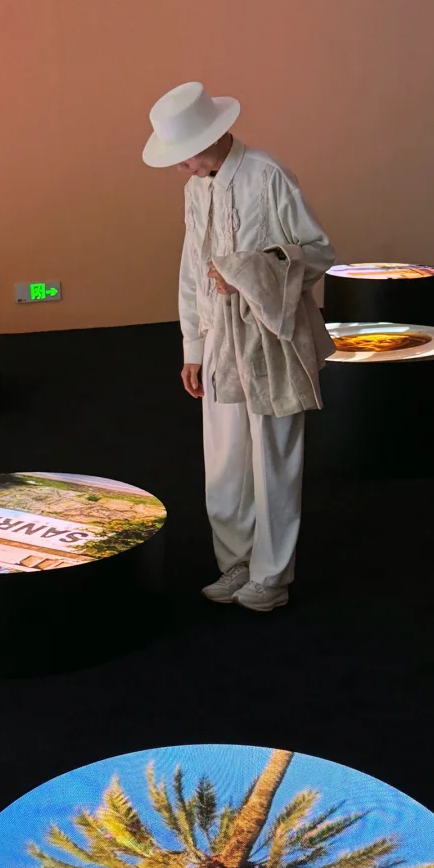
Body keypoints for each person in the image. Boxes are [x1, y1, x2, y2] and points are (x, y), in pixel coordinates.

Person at [143, 81, 337, 611]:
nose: (182, 166)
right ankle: (237, 562)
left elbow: (319, 251)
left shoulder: (267, 175)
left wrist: (249, 271)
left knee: (273, 456)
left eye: (186, 154)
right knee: (226, 459)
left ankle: (271, 576)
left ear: (212, 136)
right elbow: (191, 271)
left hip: (271, 338)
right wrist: (192, 347)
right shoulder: (195, 189)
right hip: (218, 341)